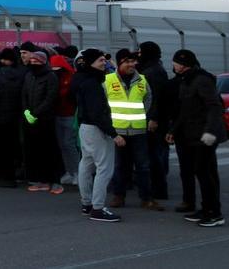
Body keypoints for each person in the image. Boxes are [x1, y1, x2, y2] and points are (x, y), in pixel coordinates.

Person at [166, 49, 226, 227]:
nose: (173, 65)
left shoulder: (202, 80)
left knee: (205, 173)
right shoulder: (187, 80)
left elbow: (215, 107)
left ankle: (214, 213)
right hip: (193, 134)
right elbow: (185, 110)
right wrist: (173, 130)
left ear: (183, 65)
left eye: (175, 62)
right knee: (201, 172)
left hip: (205, 136)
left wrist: (209, 132)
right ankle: (206, 208)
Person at [106, 48, 161, 211]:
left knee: (143, 166)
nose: (132, 64)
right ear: (120, 62)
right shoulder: (108, 80)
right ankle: (119, 196)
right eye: (128, 61)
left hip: (138, 131)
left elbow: (149, 99)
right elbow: (103, 104)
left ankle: (146, 198)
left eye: (133, 61)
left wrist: (142, 115)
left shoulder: (142, 79)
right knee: (120, 166)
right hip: (118, 131)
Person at [72, 48, 121, 222]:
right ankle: (98, 208)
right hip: (96, 129)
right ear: (91, 63)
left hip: (85, 127)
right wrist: (113, 134)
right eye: (100, 60)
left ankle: (87, 204)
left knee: (86, 164)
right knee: (104, 168)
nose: (105, 63)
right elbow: (98, 112)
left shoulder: (81, 79)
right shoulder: (93, 83)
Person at [22, 50, 63, 194]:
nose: (33, 64)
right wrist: (26, 111)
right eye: (31, 61)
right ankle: (42, 180)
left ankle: (56, 181)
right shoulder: (29, 76)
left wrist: (36, 113)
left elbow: (50, 97)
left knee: (50, 150)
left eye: (36, 61)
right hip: (31, 119)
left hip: (46, 119)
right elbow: (24, 94)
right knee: (36, 151)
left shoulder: (51, 76)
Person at [137, 41, 171, 201]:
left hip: (154, 120)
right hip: (152, 118)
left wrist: (154, 118)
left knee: (155, 155)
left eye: (140, 51)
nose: (138, 54)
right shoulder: (151, 69)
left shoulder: (154, 71)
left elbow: (158, 97)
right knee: (154, 155)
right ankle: (156, 187)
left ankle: (159, 189)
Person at [0, 47, 24, 187]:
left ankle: (0, 177)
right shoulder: (21, 76)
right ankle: (11, 176)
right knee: (12, 148)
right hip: (15, 118)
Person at [51, 54, 80, 187]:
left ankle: (78, 172)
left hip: (69, 114)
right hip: (58, 114)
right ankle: (70, 171)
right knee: (63, 145)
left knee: (69, 144)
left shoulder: (71, 77)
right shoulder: (57, 77)